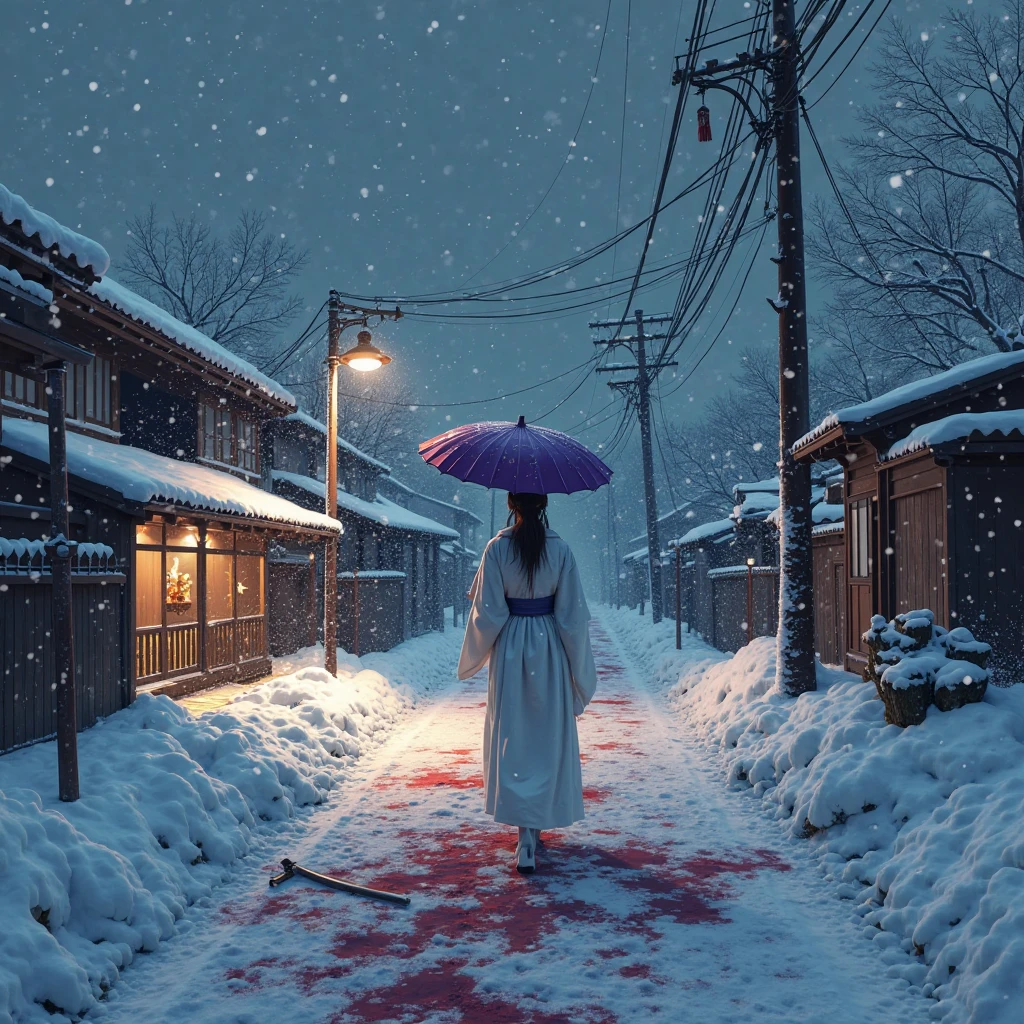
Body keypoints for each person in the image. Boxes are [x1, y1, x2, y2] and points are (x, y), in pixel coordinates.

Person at [457, 492, 598, 874]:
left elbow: (488, 613)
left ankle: (524, 839)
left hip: (511, 647)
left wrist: (474, 651)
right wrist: (580, 671)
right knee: (546, 736)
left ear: (511, 504)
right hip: (549, 646)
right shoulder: (562, 550)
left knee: (513, 737)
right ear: (544, 504)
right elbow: (571, 617)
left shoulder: (496, 549)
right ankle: (535, 828)